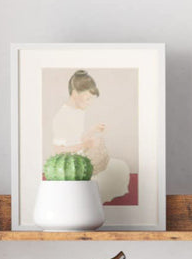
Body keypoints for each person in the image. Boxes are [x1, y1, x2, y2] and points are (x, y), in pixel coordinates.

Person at [48, 69, 131, 204]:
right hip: (73, 165)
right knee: (115, 172)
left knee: (121, 167)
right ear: (75, 94)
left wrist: (92, 131)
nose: (89, 103)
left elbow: (76, 138)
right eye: (87, 99)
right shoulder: (62, 117)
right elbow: (58, 150)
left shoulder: (78, 112)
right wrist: (86, 145)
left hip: (82, 156)